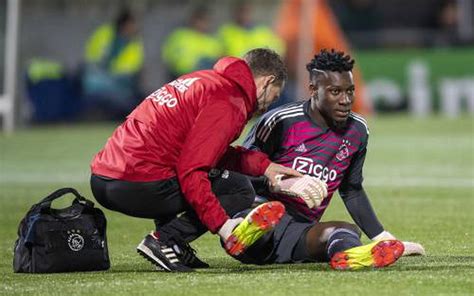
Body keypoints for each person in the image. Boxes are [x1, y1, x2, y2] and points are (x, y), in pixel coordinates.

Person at [89, 48, 302, 272]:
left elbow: (209, 152)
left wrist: (265, 166)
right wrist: (223, 226)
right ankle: (165, 240)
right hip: (135, 183)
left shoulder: (204, 80)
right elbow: (192, 170)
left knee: (172, 164)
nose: (269, 104)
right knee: (238, 189)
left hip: (105, 177)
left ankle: (176, 246)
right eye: (274, 96)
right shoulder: (229, 100)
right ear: (267, 81)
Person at [236, 49, 424, 270]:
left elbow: (352, 189)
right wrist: (282, 183)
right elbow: (239, 171)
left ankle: (351, 257)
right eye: (335, 91)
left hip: (299, 231)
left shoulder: (358, 130)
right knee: (261, 224)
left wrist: (384, 238)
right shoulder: (281, 121)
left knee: (346, 231)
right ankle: (246, 234)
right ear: (313, 89)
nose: (345, 100)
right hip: (257, 215)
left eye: (350, 91)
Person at [82, 8, 144, 120]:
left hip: (121, 82)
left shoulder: (134, 43)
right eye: (132, 24)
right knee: (93, 80)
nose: (135, 28)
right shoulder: (104, 34)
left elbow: (133, 70)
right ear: (124, 24)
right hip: (99, 77)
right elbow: (91, 58)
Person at [161, 6, 222, 80]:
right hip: (178, 77)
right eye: (199, 20)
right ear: (192, 19)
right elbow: (167, 56)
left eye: (205, 21)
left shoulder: (212, 42)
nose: (202, 24)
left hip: (201, 81)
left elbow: (216, 62)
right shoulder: (180, 35)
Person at [217, 1, 285, 58]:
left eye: (246, 12)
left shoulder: (262, 31)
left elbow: (278, 48)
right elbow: (218, 52)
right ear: (235, 13)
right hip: (234, 69)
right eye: (241, 11)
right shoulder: (227, 31)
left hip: (258, 69)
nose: (244, 15)